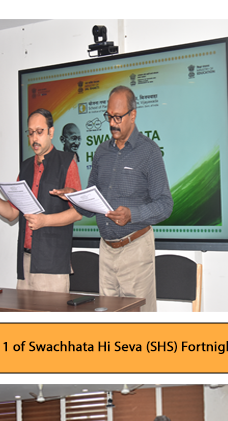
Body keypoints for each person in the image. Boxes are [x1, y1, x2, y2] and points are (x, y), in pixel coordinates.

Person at [57, 86, 172, 311]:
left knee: (138, 323)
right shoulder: (101, 152)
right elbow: (91, 205)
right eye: (109, 116)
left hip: (135, 248)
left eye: (118, 117)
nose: (112, 123)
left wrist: (132, 215)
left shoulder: (149, 151)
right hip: (106, 250)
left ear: (133, 115)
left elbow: (165, 205)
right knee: (109, 320)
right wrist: (75, 197)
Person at [0, 108, 84, 293]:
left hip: (52, 264)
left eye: (39, 132)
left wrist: (45, 220)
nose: (34, 138)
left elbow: (78, 212)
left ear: (51, 132)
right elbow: (12, 213)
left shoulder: (67, 162)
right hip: (26, 261)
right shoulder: (26, 166)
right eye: (30, 133)